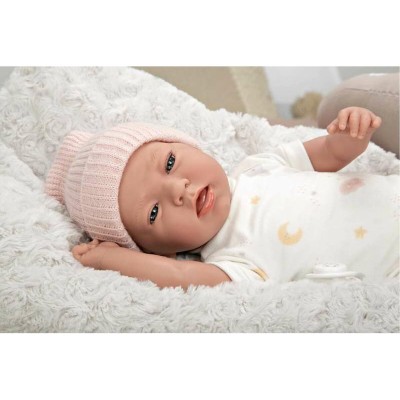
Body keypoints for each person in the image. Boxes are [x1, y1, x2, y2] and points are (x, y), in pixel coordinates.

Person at [45, 107, 399, 290]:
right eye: (153, 212)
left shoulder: (258, 167)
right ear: (157, 251)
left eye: (169, 163)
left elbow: (332, 153)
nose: (177, 190)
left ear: (185, 144)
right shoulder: (232, 261)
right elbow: (177, 277)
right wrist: (111, 259)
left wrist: (352, 133)